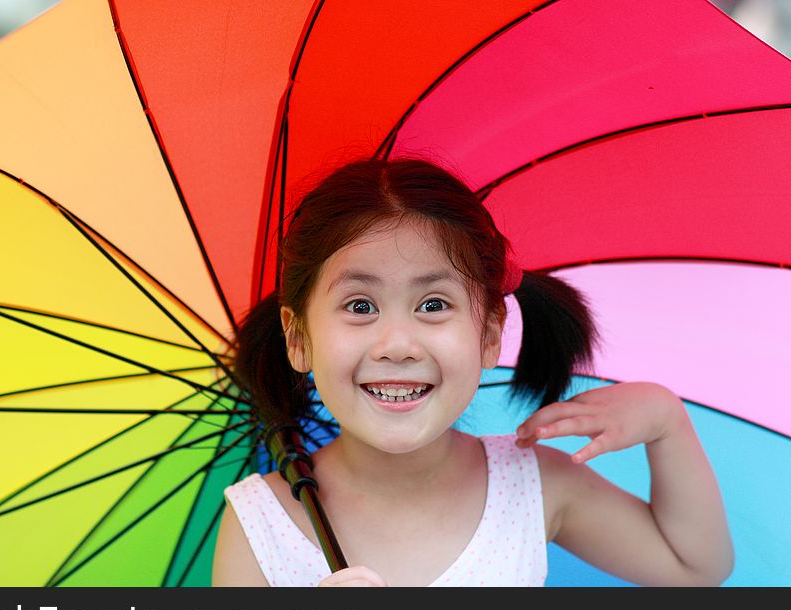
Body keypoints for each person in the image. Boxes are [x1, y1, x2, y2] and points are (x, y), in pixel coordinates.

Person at [211, 157, 734, 587]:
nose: (397, 345)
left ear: (489, 334)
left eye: (434, 304)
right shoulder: (261, 522)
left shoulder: (533, 482)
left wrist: (668, 423)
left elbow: (694, 567)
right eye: (361, 306)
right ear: (298, 339)